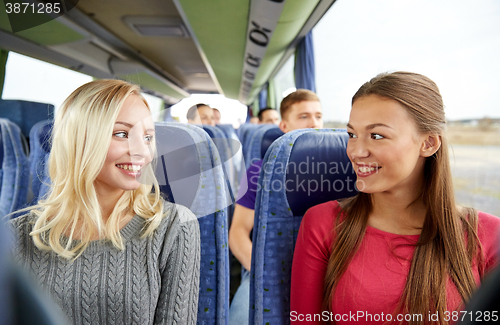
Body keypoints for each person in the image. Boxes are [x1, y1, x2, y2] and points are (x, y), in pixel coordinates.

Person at [290, 72, 500, 324]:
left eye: (377, 135)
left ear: (429, 144)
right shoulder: (322, 224)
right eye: (352, 134)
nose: (356, 151)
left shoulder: (488, 235)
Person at [9, 80, 200, 325]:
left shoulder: (174, 226)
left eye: (148, 137)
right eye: (122, 134)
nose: (142, 151)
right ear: (80, 140)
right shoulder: (16, 234)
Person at [228, 89, 323, 324]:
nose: (314, 124)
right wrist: (267, 271)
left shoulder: (343, 170)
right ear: (284, 125)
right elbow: (238, 233)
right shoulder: (259, 171)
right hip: (266, 268)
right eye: (304, 117)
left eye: (318, 116)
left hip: (326, 273)